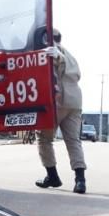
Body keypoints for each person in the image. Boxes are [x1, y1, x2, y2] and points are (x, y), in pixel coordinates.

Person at [35, 29, 87, 194]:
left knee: (43, 139)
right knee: (73, 141)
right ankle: (80, 180)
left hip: (56, 101)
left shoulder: (52, 51)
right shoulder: (71, 54)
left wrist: (56, 55)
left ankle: (52, 176)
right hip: (74, 101)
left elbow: (59, 62)